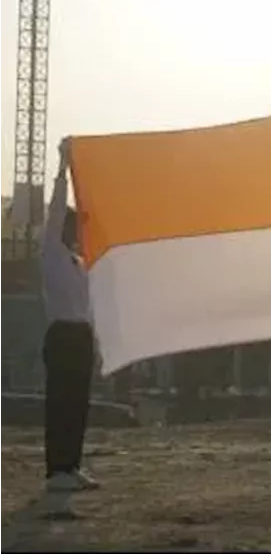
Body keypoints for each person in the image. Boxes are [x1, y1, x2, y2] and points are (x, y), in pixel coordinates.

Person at [41, 138, 101, 493]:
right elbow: (55, 212)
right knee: (60, 400)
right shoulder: (51, 253)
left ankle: (71, 465)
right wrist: (64, 168)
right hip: (62, 335)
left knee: (79, 402)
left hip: (81, 335)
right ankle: (56, 470)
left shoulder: (81, 263)